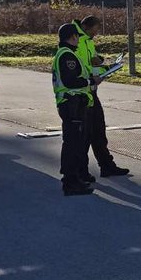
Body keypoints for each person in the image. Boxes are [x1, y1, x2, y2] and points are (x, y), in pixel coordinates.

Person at [72, 15, 130, 179]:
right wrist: (95, 73)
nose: (96, 34)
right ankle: (81, 172)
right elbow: (81, 67)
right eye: (95, 30)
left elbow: (91, 61)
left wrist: (102, 65)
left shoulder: (87, 40)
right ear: (85, 27)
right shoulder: (75, 39)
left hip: (91, 89)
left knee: (98, 130)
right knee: (84, 135)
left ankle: (106, 166)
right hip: (81, 93)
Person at [52, 22, 94, 196]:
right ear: (73, 36)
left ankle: (74, 178)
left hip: (73, 104)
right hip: (71, 104)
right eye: (77, 36)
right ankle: (70, 182)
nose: (78, 39)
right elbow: (70, 81)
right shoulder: (67, 56)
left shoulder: (65, 53)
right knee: (72, 144)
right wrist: (90, 82)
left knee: (74, 143)